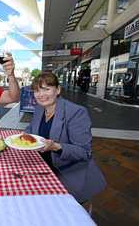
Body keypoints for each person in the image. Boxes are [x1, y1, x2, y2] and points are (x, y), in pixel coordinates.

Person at [25, 72, 106, 203]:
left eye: (46, 89)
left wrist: (56, 146)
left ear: (57, 90)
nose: (41, 95)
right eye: (37, 90)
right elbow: (31, 129)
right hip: (43, 167)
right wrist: (24, 136)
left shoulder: (76, 112)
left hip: (67, 173)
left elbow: (84, 152)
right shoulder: (40, 109)